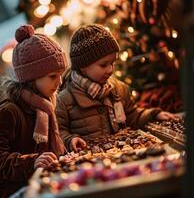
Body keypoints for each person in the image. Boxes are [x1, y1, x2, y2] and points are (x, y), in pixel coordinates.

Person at [56, 24, 178, 152]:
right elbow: (59, 132)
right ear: (83, 66)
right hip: (91, 162)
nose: (110, 69)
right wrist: (70, 140)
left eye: (112, 63)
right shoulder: (65, 100)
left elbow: (132, 116)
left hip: (121, 154)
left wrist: (153, 114)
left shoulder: (118, 89)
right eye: (103, 65)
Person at [0, 24, 67, 198]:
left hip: (36, 187)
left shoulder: (45, 105)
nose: (60, 82)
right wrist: (31, 162)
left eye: (60, 74)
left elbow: (50, 149)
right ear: (31, 77)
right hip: (10, 191)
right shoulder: (8, 111)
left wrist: (68, 147)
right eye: (53, 76)